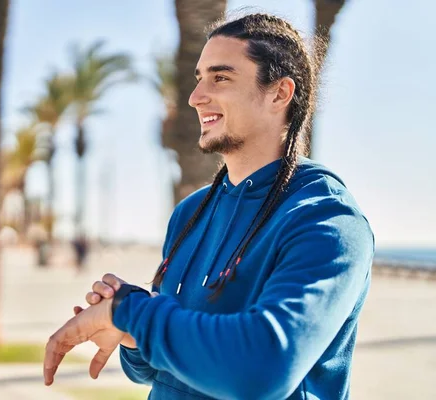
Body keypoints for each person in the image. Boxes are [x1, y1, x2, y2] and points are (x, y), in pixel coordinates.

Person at [44, 12, 374, 400]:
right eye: (199, 78)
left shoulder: (326, 220)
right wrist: (132, 336)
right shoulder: (191, 213)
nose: (195, 97)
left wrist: (132, 312)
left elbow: (263, 371)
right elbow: (160, 371)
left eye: (220, 77)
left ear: (280, 93)